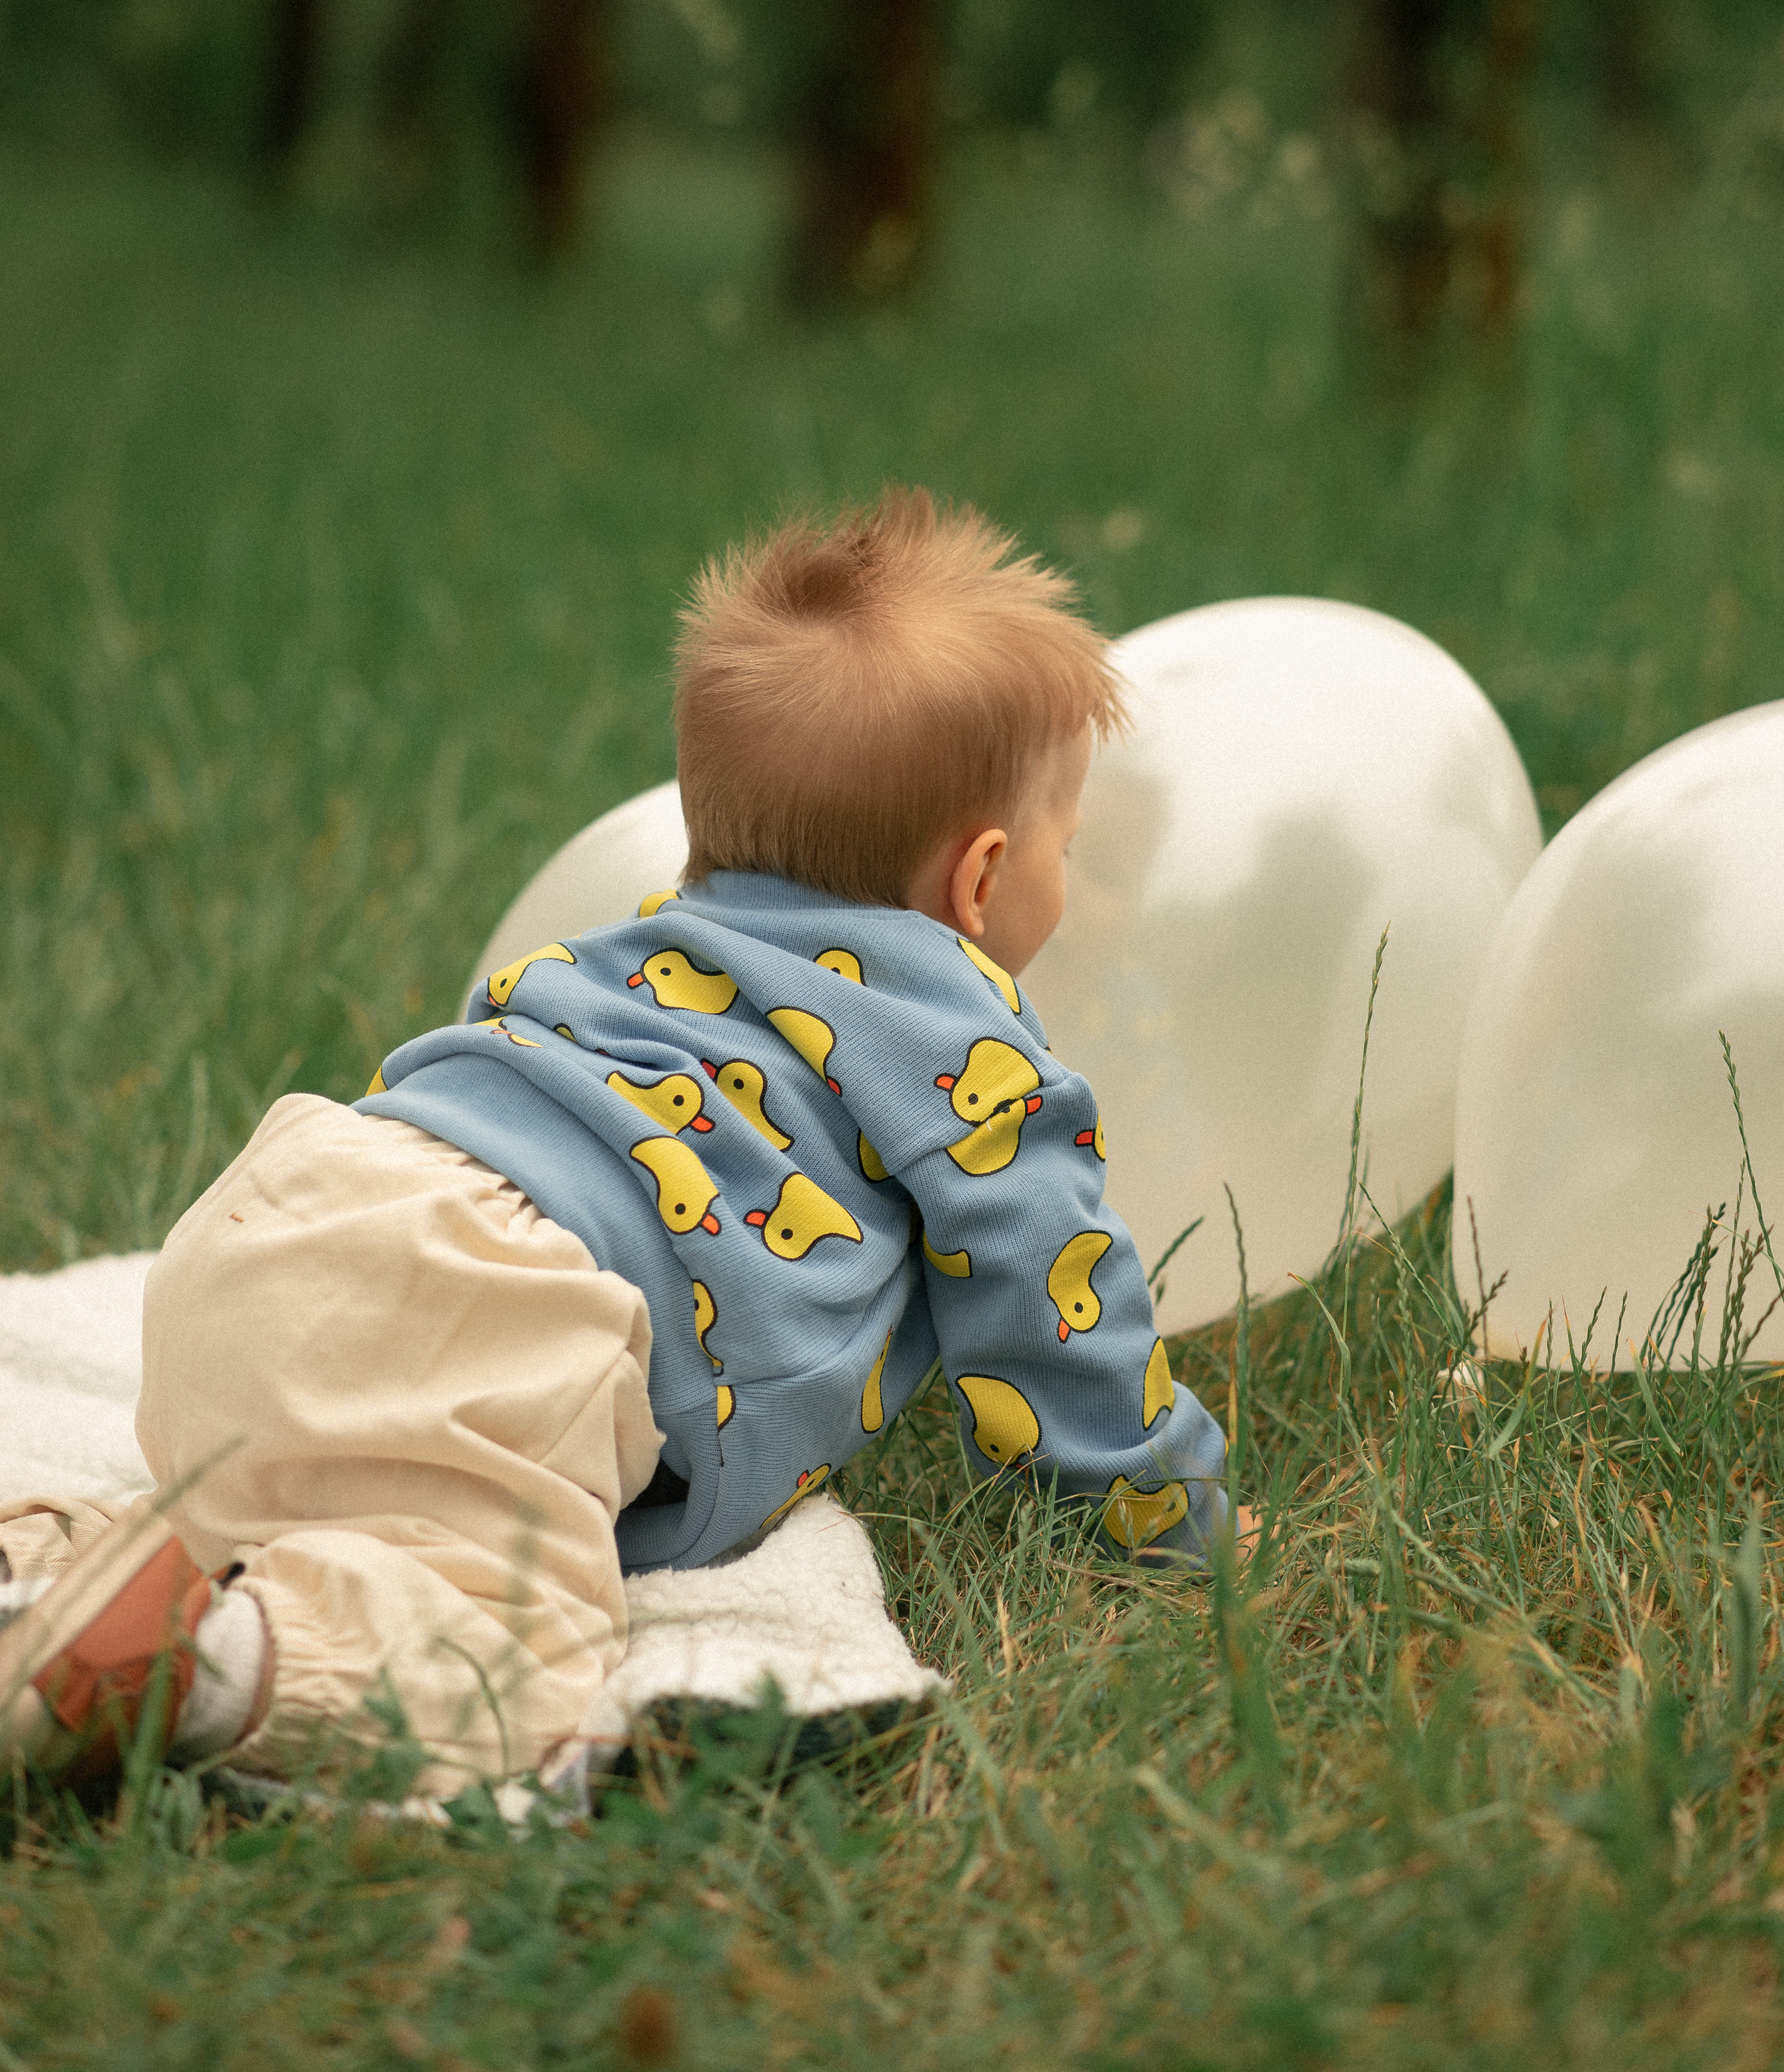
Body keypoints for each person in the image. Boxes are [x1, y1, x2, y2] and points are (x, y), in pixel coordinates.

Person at [0, 490, 1243, 1798]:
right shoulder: (965, 1048)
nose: (1080, 884)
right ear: (983, 878)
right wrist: (1177, 1522)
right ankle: (204, 1661)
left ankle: (47, 1578)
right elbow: (1061, 1318)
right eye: (1072, 845)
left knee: (293, 1491)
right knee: (502, 1651)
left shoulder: (633, 950)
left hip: (279, 1217)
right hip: (501, 1301)